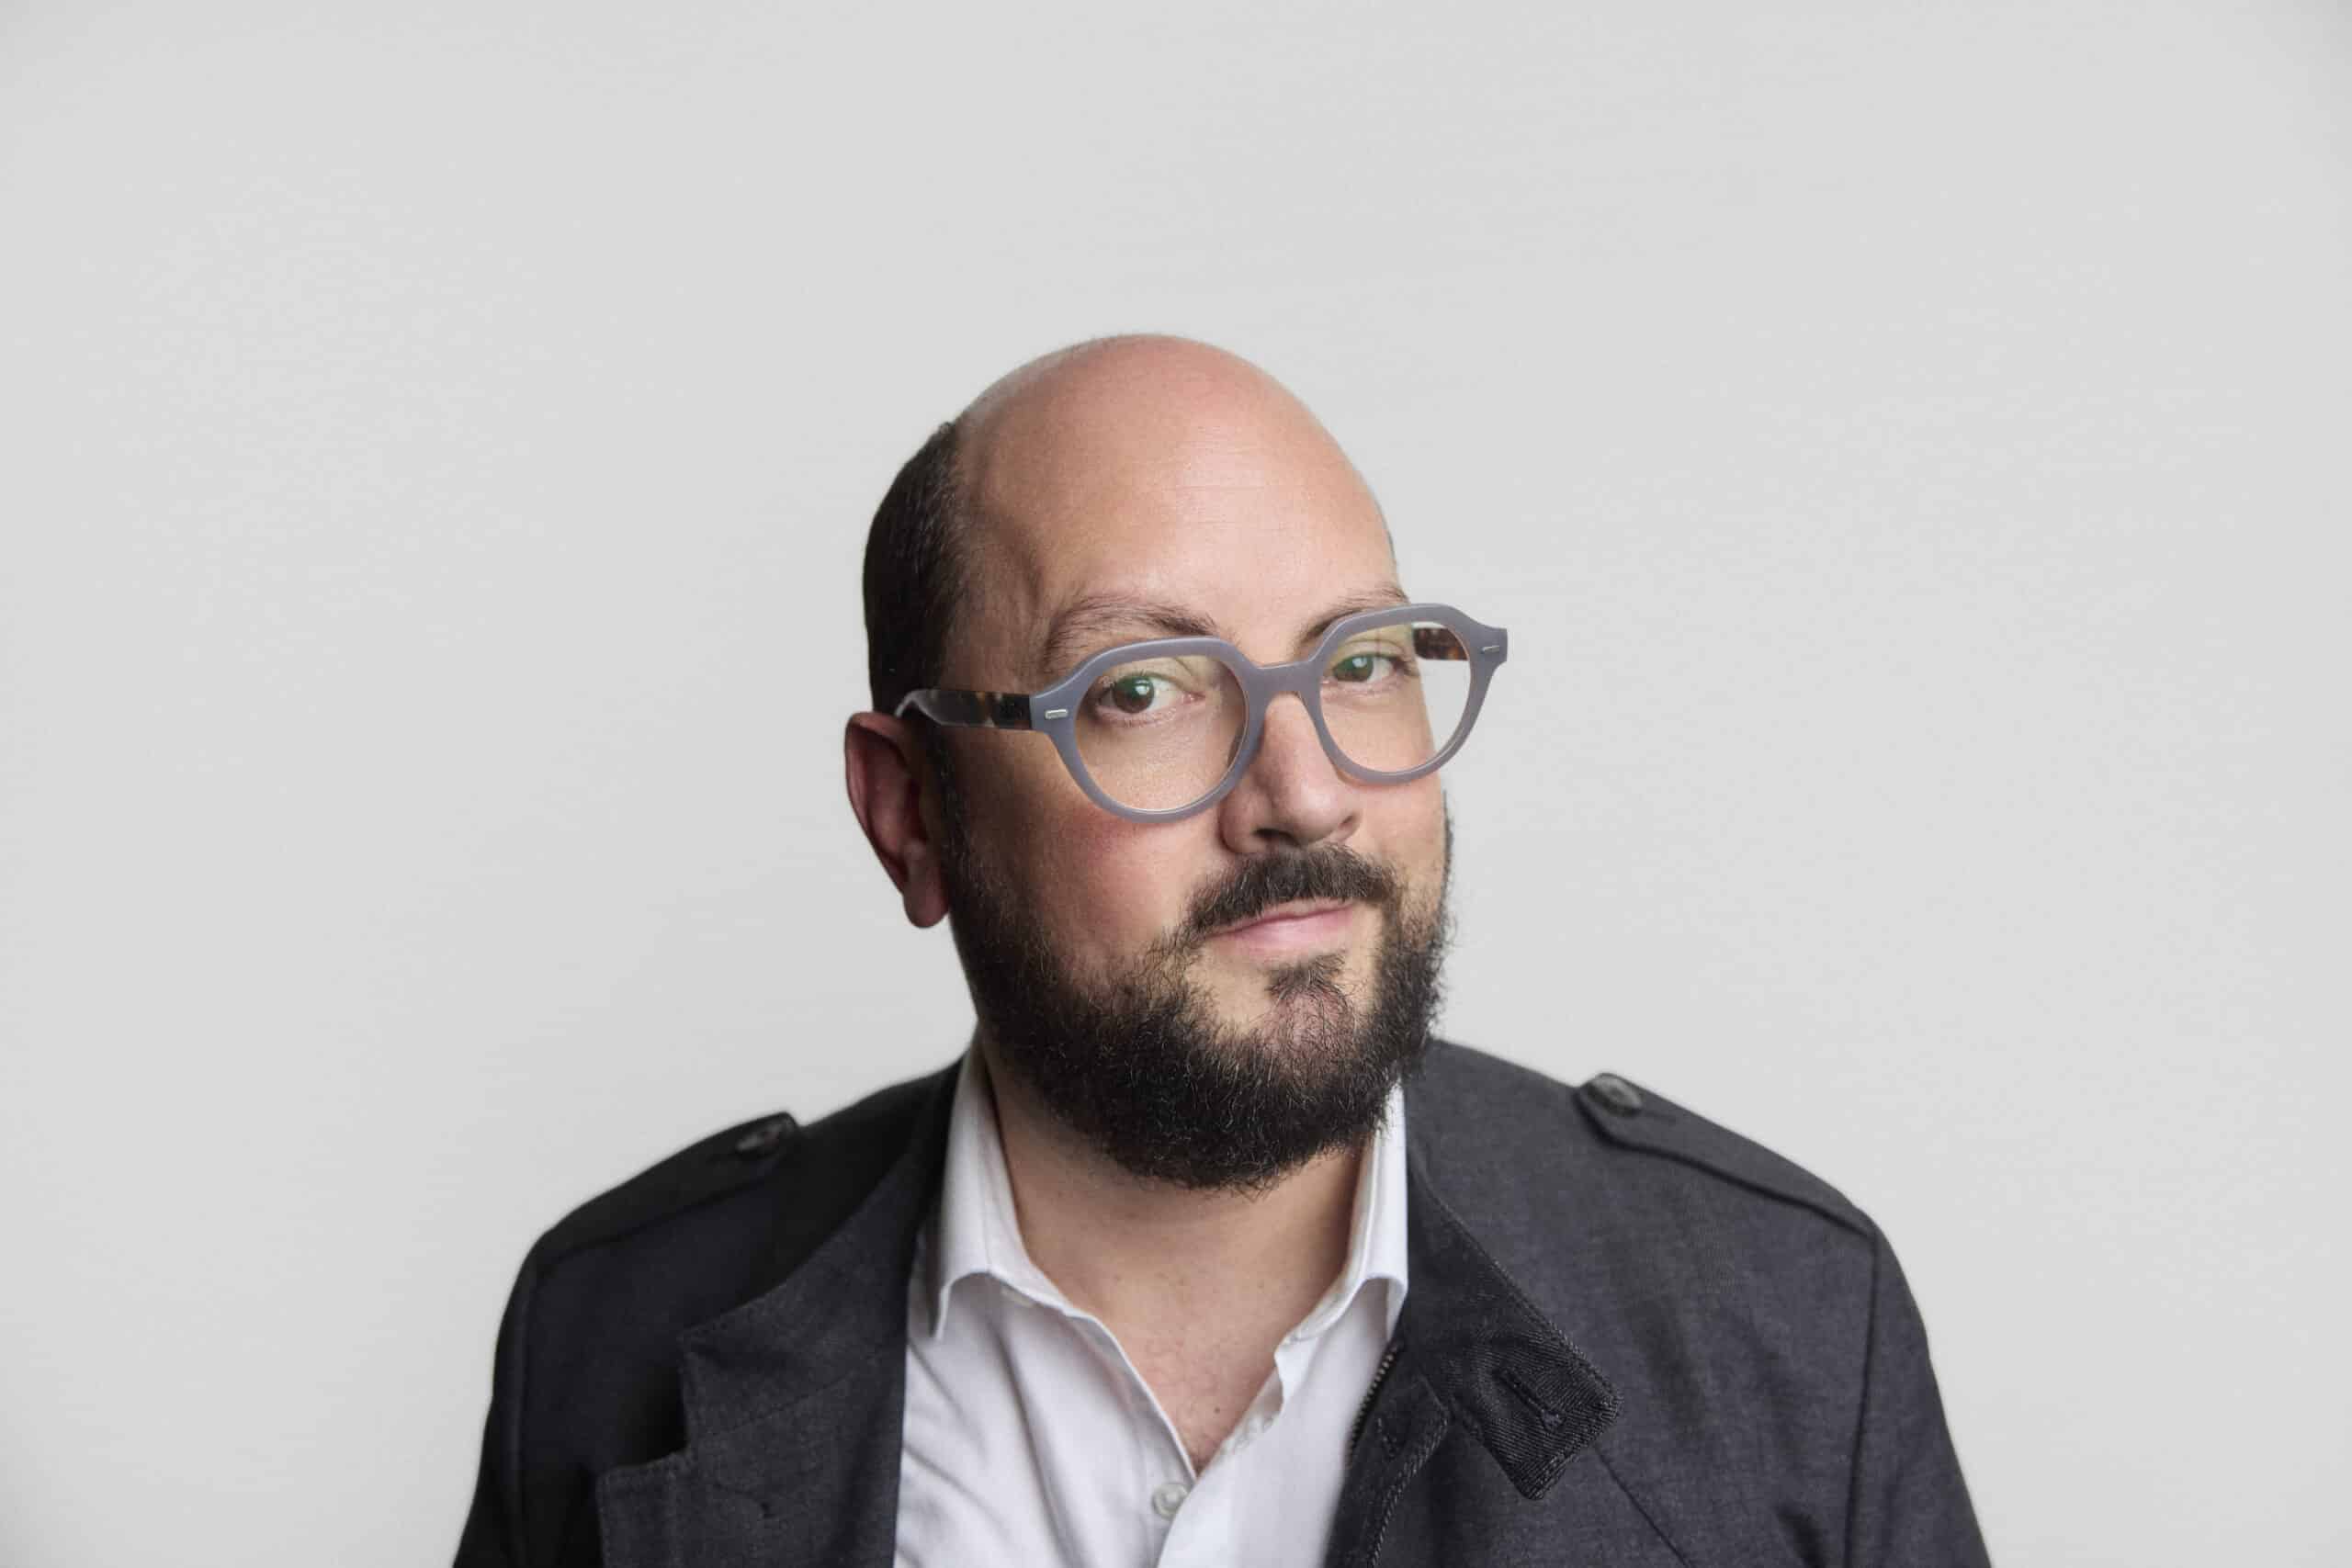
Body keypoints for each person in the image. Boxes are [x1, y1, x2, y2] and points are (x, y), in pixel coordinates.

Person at [454, 336, 1990, 1568]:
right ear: (911, 810)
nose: (1306, 791)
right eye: (1140, 689)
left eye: (1366, 661)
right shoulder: (607, 1338)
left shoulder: (1788, 1327)